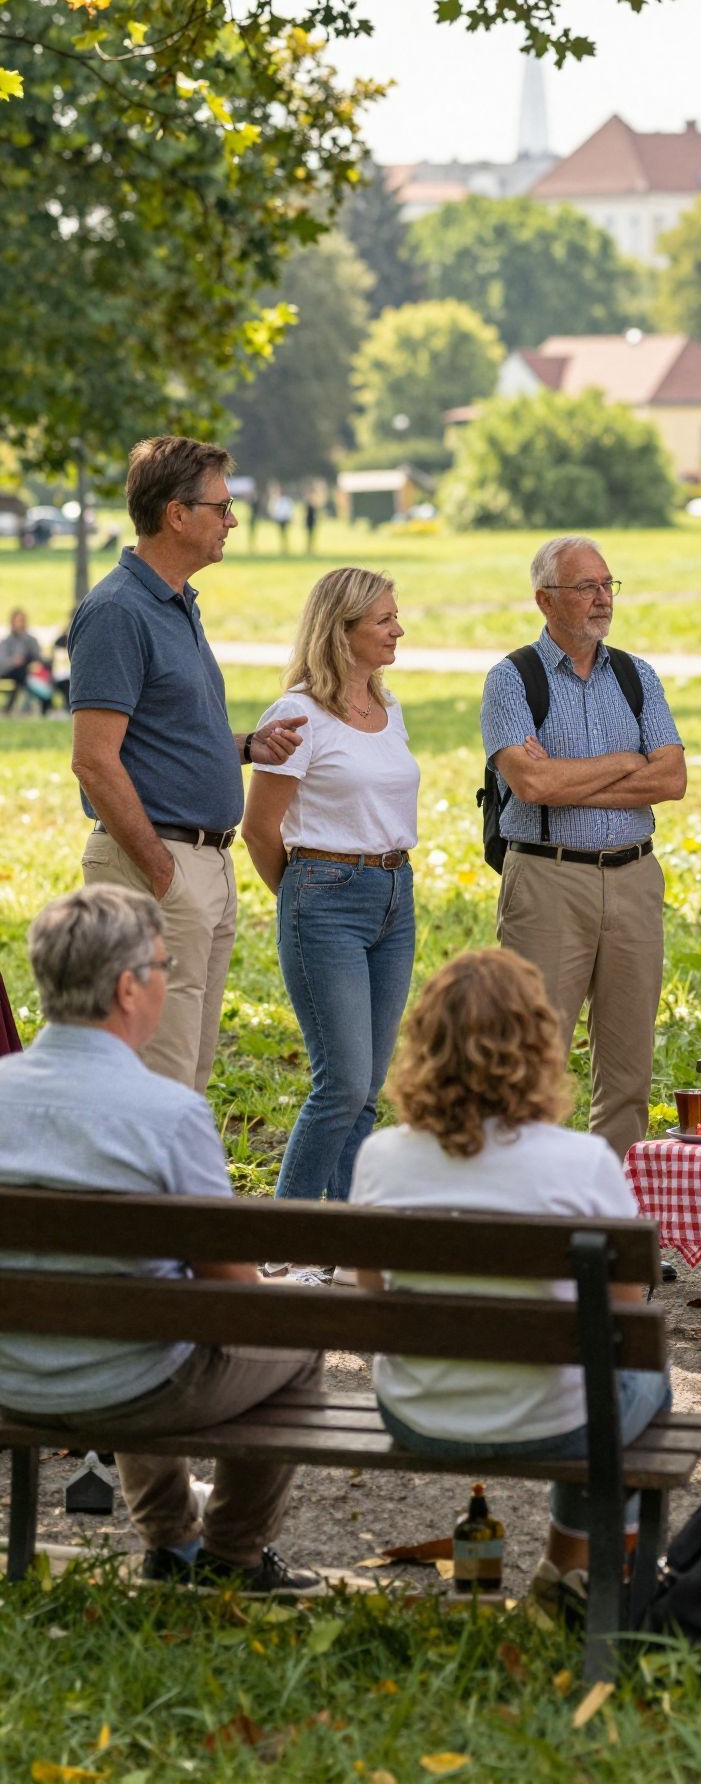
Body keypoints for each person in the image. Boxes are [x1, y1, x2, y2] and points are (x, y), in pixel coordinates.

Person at [0, 887, 322, 1593]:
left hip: (10, 1375)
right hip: (128, 1388)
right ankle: (233, 1554)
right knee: (294, 1336)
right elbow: (233, 1290)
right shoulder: (167, 1115)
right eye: (162, 967)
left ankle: (173, 1542)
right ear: (126, 988)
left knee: (142, 1314)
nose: (165, 982)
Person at [351, 946, 670, 1609]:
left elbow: (372, 1297)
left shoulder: (381, 1158)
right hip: (554, 1420)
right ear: (538, 1045)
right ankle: (578, 1571)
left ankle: (566, 1566)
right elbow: (623, 1314)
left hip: (417, 1412)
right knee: (643, 1380)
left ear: (425, 1046)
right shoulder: (584, 1162)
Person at [66, 437, 306, 1093]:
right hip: (157, 863)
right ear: (176, 514)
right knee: (158, 1078)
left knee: (189, 1072)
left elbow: (162, 734)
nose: (232, 520)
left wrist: (247, 747)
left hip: (204, 865)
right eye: (221, 508)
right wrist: (162, 871)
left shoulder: (175, 603)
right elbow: (93, 761)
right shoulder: (117, 610)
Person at [481, 536, 685, 1161]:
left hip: (634, 877)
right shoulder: (512, 680)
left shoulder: (636, 675)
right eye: (585, 587)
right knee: (530, 1060)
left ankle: (612, 1204)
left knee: (628, 1068)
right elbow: (533, 785)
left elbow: (672, 778)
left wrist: (570, 778)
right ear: (545, 600)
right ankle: (523, 1201)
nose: (602, 599)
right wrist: (625, 762)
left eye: (607, 584)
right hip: (548, 881)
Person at [241, 571, 418, 1260]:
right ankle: (284, 1245)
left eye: (395, 616)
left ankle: (348, 1248)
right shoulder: (297, 716)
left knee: (367, 1089)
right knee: (340, 1084)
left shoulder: (388, 706)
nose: (398, 628)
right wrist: (304, 900)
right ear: (341, 631)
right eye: (383, 619)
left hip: (395, 895)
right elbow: (260, 829)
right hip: (324, 896)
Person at [1, 607, 42, 713]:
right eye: (17, 621)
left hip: (28, 671)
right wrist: (13, 661)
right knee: (22, 673)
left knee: (28, 673)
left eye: (22, 621)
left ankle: (13, 706)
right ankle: (25, 706)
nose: (19, 624)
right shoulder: (6, 641)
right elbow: (2, 662)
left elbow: (37, 657)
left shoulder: (31, 640)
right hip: (10, 671)